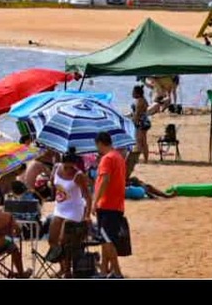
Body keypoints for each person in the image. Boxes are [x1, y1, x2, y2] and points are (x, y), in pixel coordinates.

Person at [48, 149, 92, 278]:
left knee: (64, 242)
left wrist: (87, 215)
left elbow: (88, 197)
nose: (67, 169)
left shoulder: (78, 175)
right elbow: (53, 183)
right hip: (59, 208)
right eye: (65, 166)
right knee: (52, 240)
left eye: (70, 166)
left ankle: (67, 271)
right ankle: (62, 267)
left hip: (74, 210)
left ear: (74, 164)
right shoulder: (56, 167)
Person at [92, 132, 127, 279]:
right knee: (105, 238)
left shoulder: (107, 158)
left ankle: (117, 272)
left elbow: (105, 180)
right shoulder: (118, 157)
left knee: (107, 240)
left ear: (100, 143)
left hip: (107, 204)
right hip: (116, 203)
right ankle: (104, 271)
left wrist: (95, 201)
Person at [131, 85, 151, 163]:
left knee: (140, 141)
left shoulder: (139, 101)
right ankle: (145, 159)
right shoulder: (143, 100)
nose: (132, 94)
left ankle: (140, 159)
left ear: (137, 93)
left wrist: (133, 121)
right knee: (143, 141)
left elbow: (137, 113)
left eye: (133, 92)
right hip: (144, 121)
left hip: (141, 122)